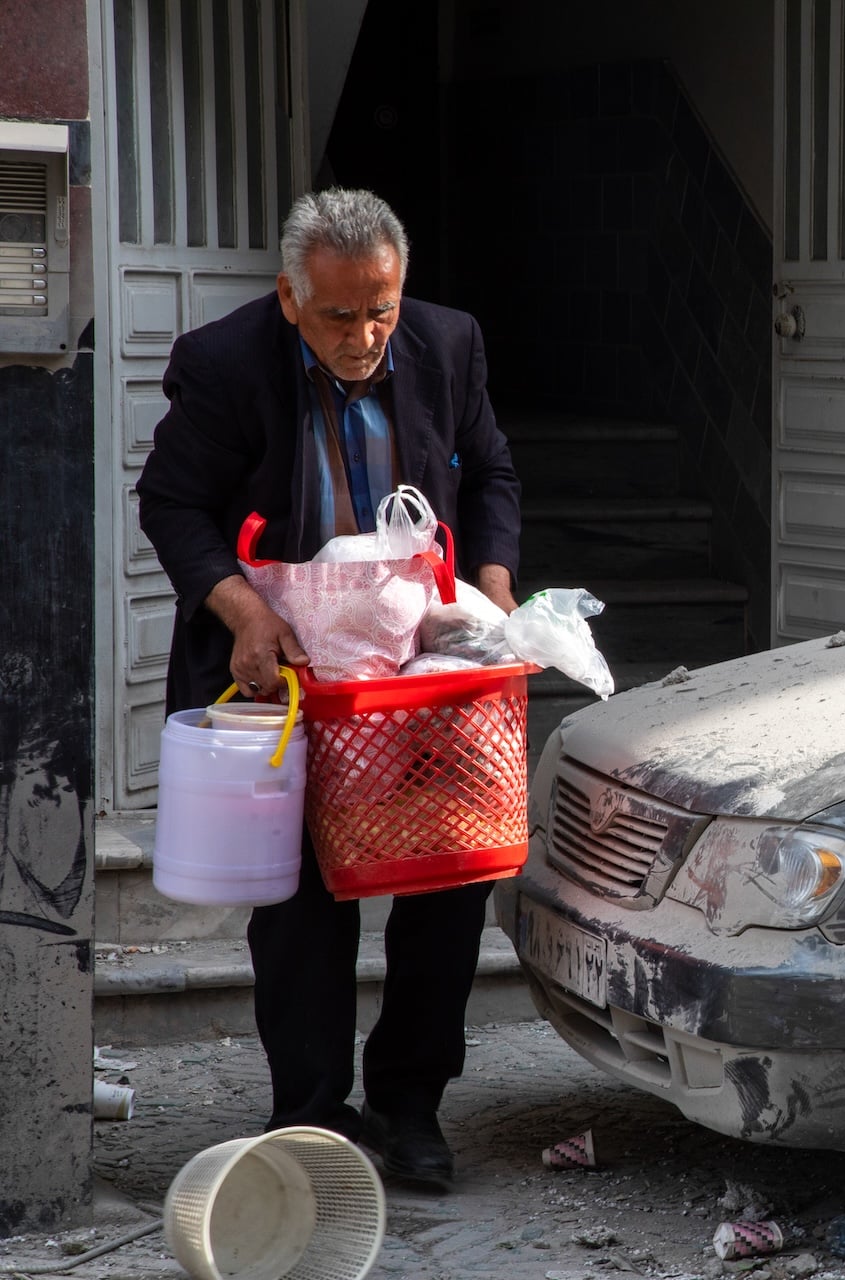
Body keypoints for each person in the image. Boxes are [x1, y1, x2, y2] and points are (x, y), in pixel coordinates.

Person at [137, 188, 522, 1188]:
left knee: (448, 875)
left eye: (381, 309)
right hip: (290, 670)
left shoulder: (449, 344)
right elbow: (173, 501)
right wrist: (242, 611)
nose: (364, 336)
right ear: (289, 297)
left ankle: (411, 1102)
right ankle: (312, 1114)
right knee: (302, 898)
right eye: (340, 315)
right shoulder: (226, 364)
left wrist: (490, 592)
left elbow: (488, 474)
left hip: (418, 667)